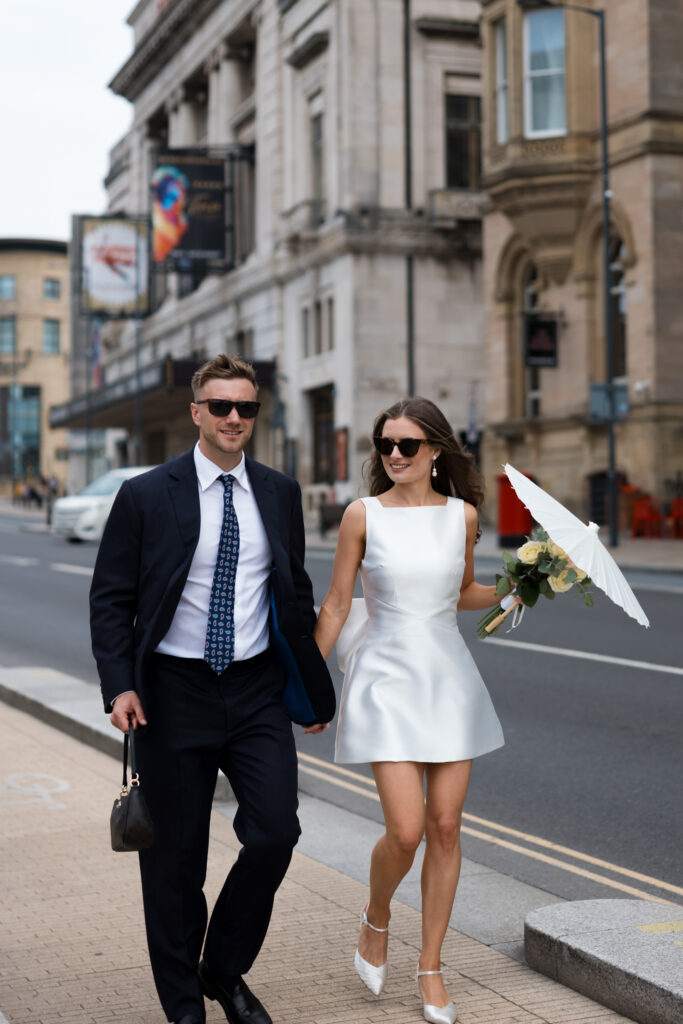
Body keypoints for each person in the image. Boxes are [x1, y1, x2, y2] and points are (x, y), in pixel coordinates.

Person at [90, 355, 335, 1024]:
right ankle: (183, 1009)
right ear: (196, 412)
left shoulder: (279, 493)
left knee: (274, 832)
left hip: (255, 689)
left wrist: (309, 687)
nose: (233, 418)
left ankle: (222, 969)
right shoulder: (145, 494)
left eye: (245, 408)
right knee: (174, 864)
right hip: (172, 692)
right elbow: (111, 599)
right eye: (220, 406)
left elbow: (294, 595)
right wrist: (120, 687)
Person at [311, 397, 511, 1024]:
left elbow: (460, 594)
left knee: (446, 827)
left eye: (406, 445)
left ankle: (430, 967)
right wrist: (305, 684)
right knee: (406, 830)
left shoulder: (462, 515)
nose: (393, 455)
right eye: (385, 445)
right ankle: (376, 917)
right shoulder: (360, 515)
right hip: (386, 681)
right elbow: (340, 603)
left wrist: (526, 581)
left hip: (448, 679)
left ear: (435, 452)